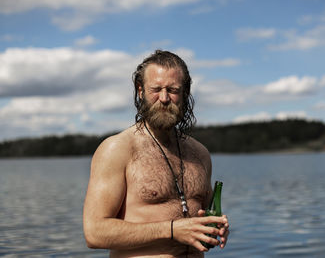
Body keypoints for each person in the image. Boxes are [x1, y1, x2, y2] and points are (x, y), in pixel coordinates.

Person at [83, 50, 230, 257]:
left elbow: (202, 218)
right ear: (141, 91)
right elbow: (94, 233)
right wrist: (172, 230)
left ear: (185, 93)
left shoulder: (199, 153)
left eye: (173, 90)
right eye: (156, 89)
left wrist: (213, 228)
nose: (164, 98)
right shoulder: (117, 149)